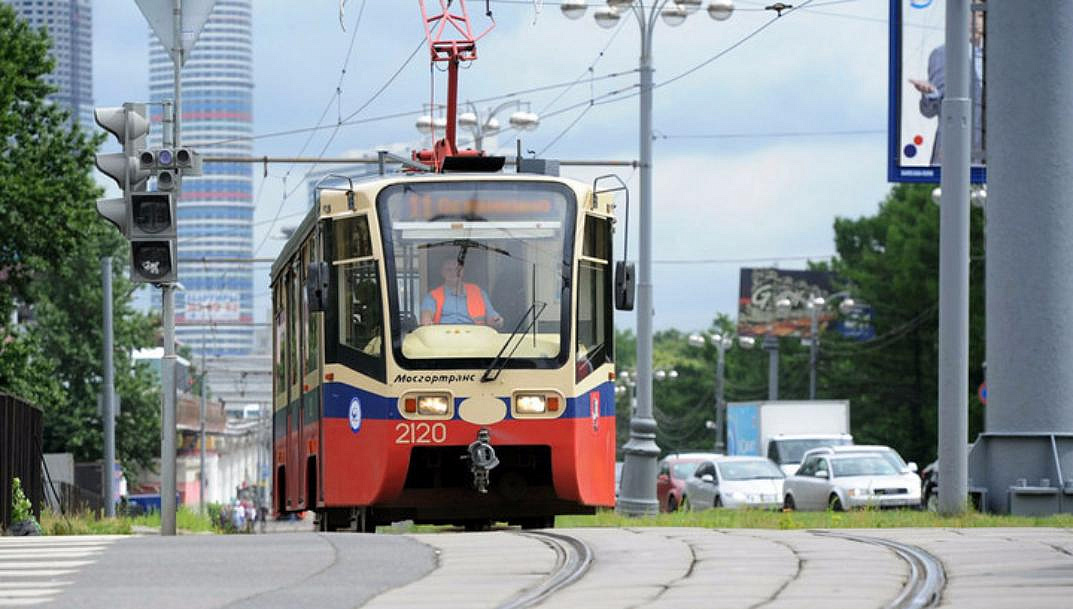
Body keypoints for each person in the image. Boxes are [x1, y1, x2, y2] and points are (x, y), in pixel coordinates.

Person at [908, 7, 985, 165]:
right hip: (953, 156)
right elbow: (930, 110)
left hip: (989, 160)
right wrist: (930, 94)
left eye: (979, 15)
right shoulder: (944, 54)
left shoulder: (995, 57)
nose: (973, 21)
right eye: (967, 14)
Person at [420, 258, 503, 327]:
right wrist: (426, 320)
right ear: (442, 272)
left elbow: (493, 317)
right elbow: (426, 315)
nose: (453, 273)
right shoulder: (433, 296)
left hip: (475, 339)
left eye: (457, 269)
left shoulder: (479, 292)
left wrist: (497, 320)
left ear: (462, 271)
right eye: (449, 270)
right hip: (443, 340)